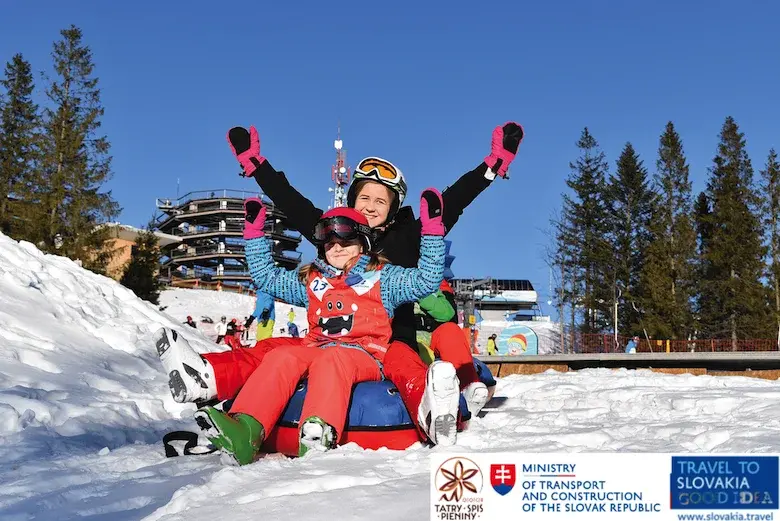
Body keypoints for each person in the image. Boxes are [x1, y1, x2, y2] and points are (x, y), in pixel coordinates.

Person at [224, 121, 523, 444]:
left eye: (380, 201)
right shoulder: (335, 234)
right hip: (334, 343)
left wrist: (493, 165)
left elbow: (454, 200)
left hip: (393, 340)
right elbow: (291, 202)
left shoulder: (407, 237)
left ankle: (433, 412)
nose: (370, 206)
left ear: (393, 209)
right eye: (364, 197)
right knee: (280, 353)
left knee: (403, 362)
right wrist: (256, 165)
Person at [169, 190, 445, 464]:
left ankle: (319, 429)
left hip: (365, 354)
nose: (336, 247)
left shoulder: (383, 277)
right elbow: (268, 278)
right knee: (283, 355)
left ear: (363, 241)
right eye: (329, 241)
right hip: (317, 347)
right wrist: (254, 233)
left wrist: (432, 231)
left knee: (332, 358)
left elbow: (426, 281)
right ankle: (245, 429)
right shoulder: (313, 280)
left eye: (345, 240)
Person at [414, 280, 489, 416]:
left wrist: (422, 293)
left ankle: (468, 388)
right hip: (405, 339)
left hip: (432, 337)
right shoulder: (387, 278)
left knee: (450, 332)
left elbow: (447, 314)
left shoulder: (433, 283)